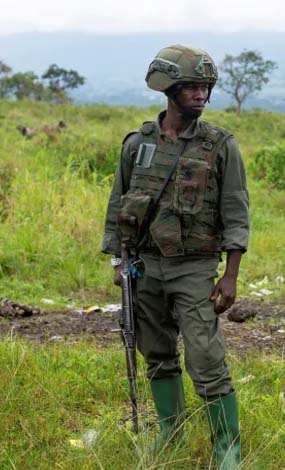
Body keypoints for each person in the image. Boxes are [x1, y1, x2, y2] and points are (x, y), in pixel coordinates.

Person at [101, 45, 249, 468]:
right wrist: (118, 263)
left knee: (205, 357)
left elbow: (235, 211)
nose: (201, 95)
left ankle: (227, 447)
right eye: (192, 87)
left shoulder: (219, 145)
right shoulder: (138, 144)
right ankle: (171, 432)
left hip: (195, 266)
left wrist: (231, 275)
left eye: (206, 87)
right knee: (156, 352)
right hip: (144, 265)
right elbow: (118, 204)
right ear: (168, 89)